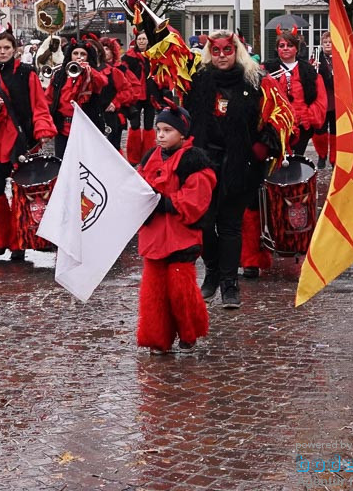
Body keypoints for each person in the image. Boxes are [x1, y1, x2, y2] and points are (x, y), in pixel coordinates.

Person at [184, 30, 296, 309]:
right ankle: (211, 274)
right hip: (205, 162)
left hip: (241, 163)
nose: (222, 56)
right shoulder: (198, 80)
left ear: (237, 51)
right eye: (217, 51)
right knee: (207, 224)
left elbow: (283, 115)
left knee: (231, 226)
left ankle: (229, 284)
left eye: (228, 50)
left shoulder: (257, 81)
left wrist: (262, 146)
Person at [136, 106, 216, 355]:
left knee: (180, 290)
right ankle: (157, 339)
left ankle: (190, 332)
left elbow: (198, 197)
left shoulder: (194, 160)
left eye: (167, 130)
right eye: (158, 130)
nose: (160, 135)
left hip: (181, 236)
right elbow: (137, 183)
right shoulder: (150, 157)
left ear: (182, 134)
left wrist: (166, 202)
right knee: (154, 293)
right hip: (154, 235)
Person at [0, 31, 56, 262]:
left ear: (15, 49)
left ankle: (19, 242)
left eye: (7, 48)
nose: (3, 52)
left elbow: (39, 104)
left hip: (21, 140)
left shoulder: (27, 73)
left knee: (21, 194)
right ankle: (2, 240)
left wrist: (43, 131)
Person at [262, 31, 327, 157]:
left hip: (302, 125)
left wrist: (308, 116)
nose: (285, 48)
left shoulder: (309, 71)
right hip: (274, 127)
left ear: (296, 48)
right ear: (277, 49)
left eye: (290, 45)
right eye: (282, 46)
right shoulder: (266, 69)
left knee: (296, 161)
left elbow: (320, 99)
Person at [44, 38, 107, 158]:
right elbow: (48, 98)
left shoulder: (92, 74)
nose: (79, 57)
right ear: (70, 56)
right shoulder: (59, 76)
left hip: (86, 129)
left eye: (83, 54)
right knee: (62, 162)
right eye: (75, 53)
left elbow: (102, 82)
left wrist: (88, 70)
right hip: (63, 128)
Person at [123, 31, 159, 165]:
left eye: (144, 39)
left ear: (148, 41)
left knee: (149, 125)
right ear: (136, 41)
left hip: (150, 95)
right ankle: (133, 157)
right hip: (135, 95)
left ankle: (148, 156)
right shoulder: (128, 57)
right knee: (135, 125)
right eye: (140, 39)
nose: (142, 41)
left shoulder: (154, 55)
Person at [100, 37, 135, 151]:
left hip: (113, 113)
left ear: (112, 51)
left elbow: (129, 90)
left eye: (107, 48)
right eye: (102, 48)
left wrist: (116, 103)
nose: (104, 51)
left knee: (113, 145)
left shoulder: (119, 70)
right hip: (98, 113)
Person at [311, 31, 336, 169]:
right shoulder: (316, 58)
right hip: (322, 100)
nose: (327, 44)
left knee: (335, 132)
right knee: (320, 132)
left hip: (336, 100)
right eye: (325, 42)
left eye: (330, 42)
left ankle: (334, 158)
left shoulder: (339, 58)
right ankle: (322, 155)